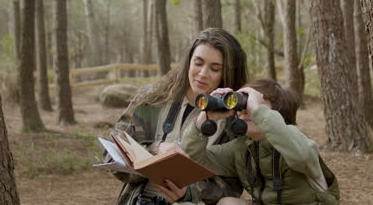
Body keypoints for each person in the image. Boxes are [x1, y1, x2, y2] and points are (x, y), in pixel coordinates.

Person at [105, 28, 248, 205]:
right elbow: (111, 156)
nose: (203, 73)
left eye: (215, 68)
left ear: (228, 73)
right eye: (198, 63)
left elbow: (231, 188)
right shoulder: (152, 100)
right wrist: (155, 150)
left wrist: (189, 192)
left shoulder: (234, 121)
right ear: (188, 61)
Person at [181, 79, 340, 205]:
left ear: (275, 113)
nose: (245, 110)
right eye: (243, 105)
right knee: (227, 203)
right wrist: (203, 119)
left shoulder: (295, 138)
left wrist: (257, 110)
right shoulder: (242, 147)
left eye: (252, 104)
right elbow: (194, 160)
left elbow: (302, 156)